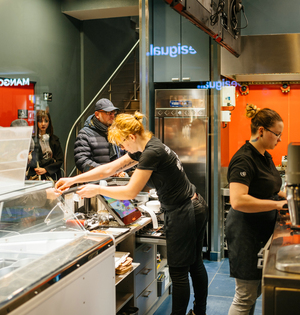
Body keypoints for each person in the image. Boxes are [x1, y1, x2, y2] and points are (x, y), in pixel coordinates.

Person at [56, 112, 208, 315]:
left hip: (184, 211)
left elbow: (130, 192)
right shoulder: (148, 146)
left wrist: (98, 190)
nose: (121, 148)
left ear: (131, 137)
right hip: (194, 203)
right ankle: (200, 311)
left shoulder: (151, 152)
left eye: (122, 143)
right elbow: (108, 169)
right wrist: (73, 180)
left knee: (179, 271)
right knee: (195, 263)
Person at [225, 105, 287, 315]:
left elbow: (269, 187)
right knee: (245, 296)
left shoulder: (264, 156)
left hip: (261, 232)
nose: (279, 140)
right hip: (246, 233)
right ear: (261, 131)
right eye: (277, 134)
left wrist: (288, 196)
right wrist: (277, 205)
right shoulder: (244, 158)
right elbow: (238, 200)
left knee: (255, 292)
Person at [74, 98, 125, 174]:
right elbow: (82, 162)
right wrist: (106, 171)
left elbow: (126, 155)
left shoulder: (116, 132)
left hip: (117, 181)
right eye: (108, 112)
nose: (112, 115)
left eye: (113, 112)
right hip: (96, 182)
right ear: (97, 115)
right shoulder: (85, 134)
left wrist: (123, 170)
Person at [27, 110, 63, 181]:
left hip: (53, 175)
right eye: (40, 121)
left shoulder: (54, 139)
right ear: (36, 122)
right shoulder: (32, 140)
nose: (43, 124)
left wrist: (46, 169)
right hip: (36, 175)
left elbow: (60, 160)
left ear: (49, 122)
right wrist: (52, 160)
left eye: (46, 121)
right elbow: (32, 161)